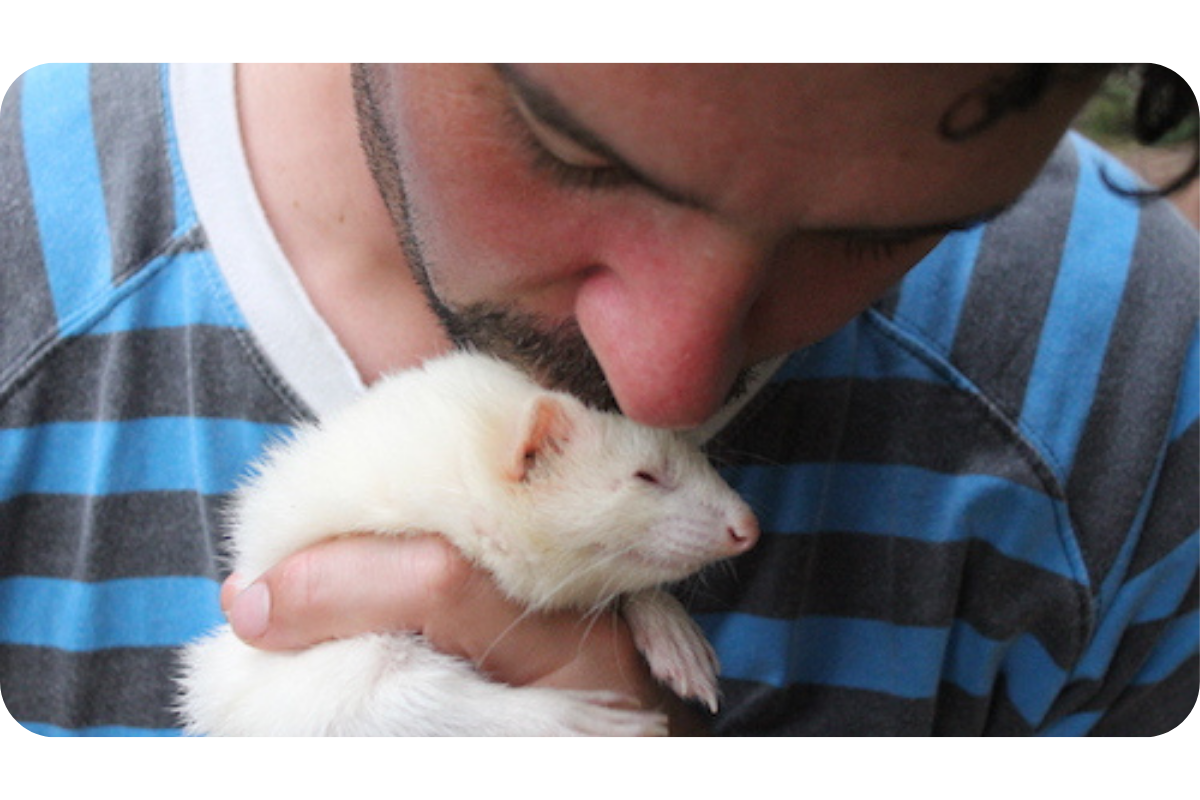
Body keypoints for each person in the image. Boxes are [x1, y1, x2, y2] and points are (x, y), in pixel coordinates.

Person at [1, 62, 1196, 738]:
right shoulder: (31, 267)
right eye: (566, 148)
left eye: (879, 236)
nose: (670, 379)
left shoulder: (1126, 393)